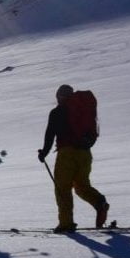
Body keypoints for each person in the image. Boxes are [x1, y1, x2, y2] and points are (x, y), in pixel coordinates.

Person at [38, 84, 109, 233]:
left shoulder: (57, 112)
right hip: (85, 153)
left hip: (66, 153)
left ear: (60, 96)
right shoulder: (82, 110)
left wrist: (44, 153)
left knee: (62, 188)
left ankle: (66, 223)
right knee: (82, 186)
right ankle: (99, 202)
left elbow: (50, 135)